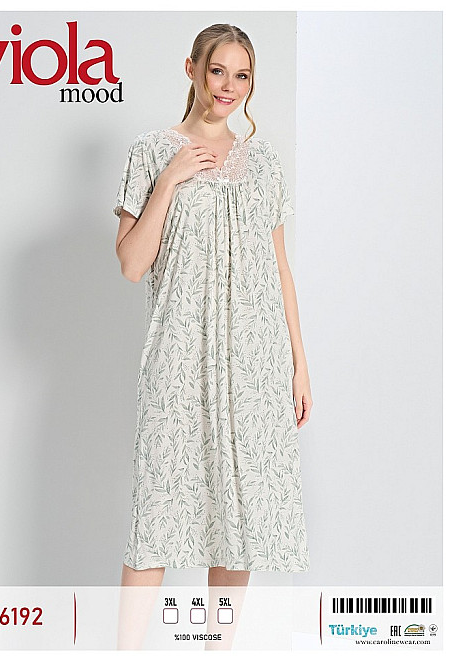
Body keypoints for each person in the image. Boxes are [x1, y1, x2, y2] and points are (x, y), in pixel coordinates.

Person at [113, 23, 312, 593]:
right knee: (157, 519)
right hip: (180, 358)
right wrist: (171, 179)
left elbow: (280, 269)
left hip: (255, 363)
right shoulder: (152, 151)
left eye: (241, 75)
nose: (228, 86)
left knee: (238, 525)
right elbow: (132, 264)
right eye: (217, 70)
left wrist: (299, 365)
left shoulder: (265, 162)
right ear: (192, 69)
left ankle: (215, 642)